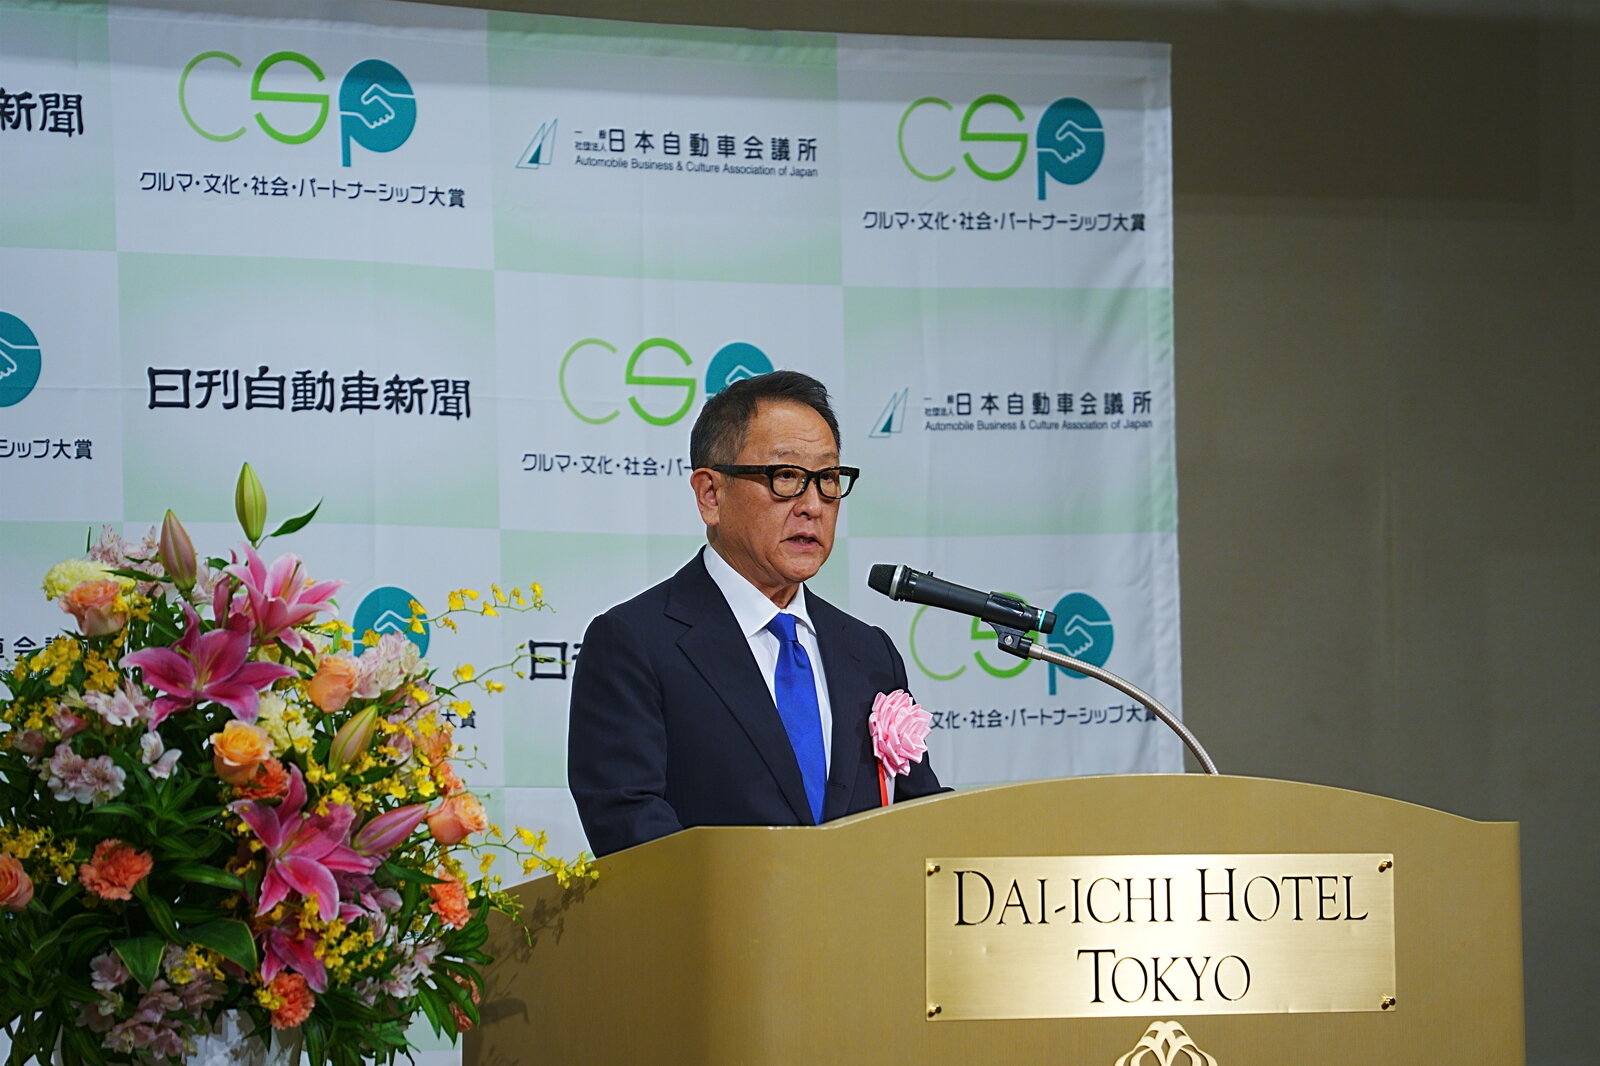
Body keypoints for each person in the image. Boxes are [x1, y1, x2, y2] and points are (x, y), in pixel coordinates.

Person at [568, 371, 945, 856]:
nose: (813, 506)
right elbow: (630, 826)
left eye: (828, 479)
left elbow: (918, 819)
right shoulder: (635, 643)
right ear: (710, 495)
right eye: (786, 477)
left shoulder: (869, 652)